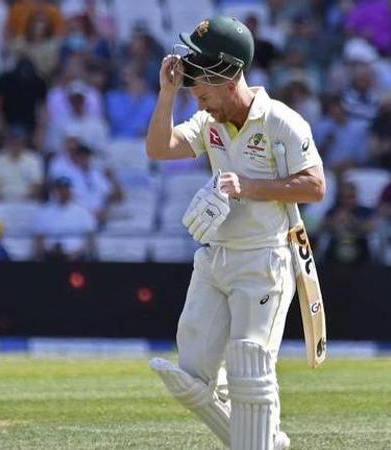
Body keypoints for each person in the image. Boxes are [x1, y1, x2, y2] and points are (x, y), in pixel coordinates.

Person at [145, 16, 326, 450]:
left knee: (250, 365)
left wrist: (249, 187)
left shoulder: (281, 122)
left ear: (228, 79)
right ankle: (265, 443)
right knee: (190, 377)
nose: (201, 104)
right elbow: (159, 148)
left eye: (204, 94)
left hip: (264, 261)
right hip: (214, 259)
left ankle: (257, 440)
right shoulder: (209, 123)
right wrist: (168, 93)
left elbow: (315, 187)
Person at [32, 176, 96, 261]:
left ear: (71, 191)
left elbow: (90, 237)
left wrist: (77, 253)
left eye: (66, 189)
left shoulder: (82, 212)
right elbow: (39, 238)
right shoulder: (44, 212)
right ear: (54, 191)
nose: (63, 192)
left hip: (77, 257)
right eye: (60, 189)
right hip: (51, 256)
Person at [322, 180, 376, 264]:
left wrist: (353, 221)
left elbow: (371, 226)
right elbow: (322, 226)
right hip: (334, 255)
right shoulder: (333, 211)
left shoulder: (365, 211)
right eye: (343, 197)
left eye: (350, 197)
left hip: (361, 253)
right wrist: (335, 222)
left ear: (356, 196)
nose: (347, 200)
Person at [0, 126, 43, 201]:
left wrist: (21, 199)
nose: (15, 144)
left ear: (24, 142)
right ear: (7, 142)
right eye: (12, 141)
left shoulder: (33, 159)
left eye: (18, 141)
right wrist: (4, 198)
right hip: (2, 201)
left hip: (27, 201)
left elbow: (36, 185)